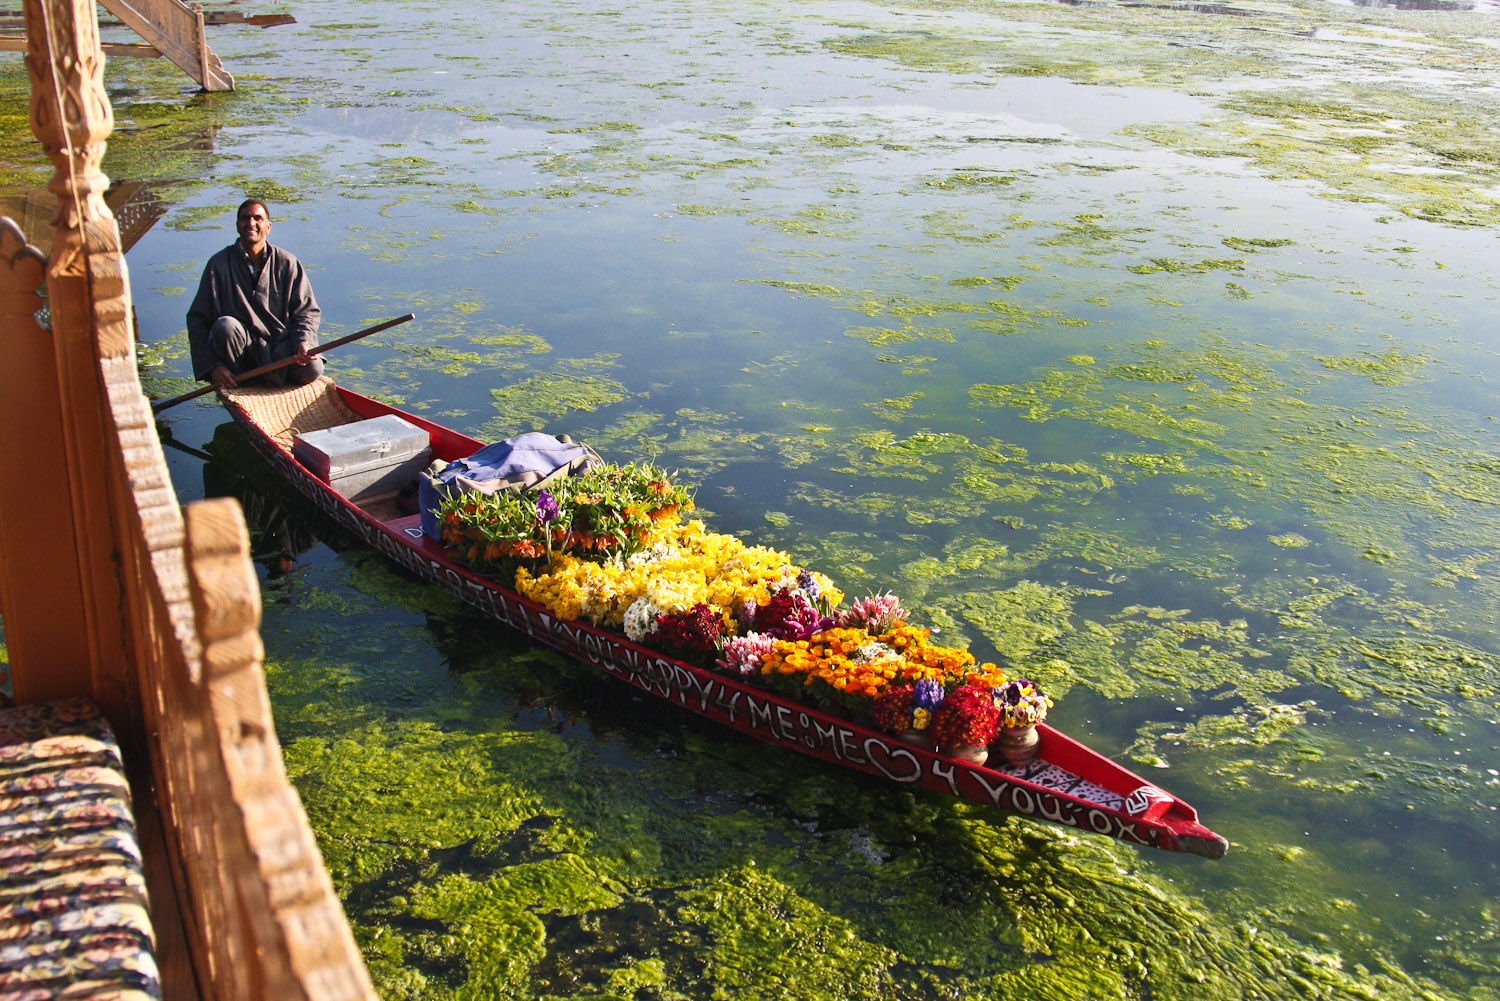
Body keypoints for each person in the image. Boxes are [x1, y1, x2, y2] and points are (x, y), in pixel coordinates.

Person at [187, 198, 323, 390]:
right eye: (245, 218)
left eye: (257, 218)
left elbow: (306, 312)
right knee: (225, 326)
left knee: (313, 368)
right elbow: (197, 320)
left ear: (268, 226)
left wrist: (303, 343)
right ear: (237, 225)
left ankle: (275, 376)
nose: (251, 223)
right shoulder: (218, 265)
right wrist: (213, 367)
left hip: (283, 353)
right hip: (243, 357)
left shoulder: (287, 262)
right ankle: (245, 384)